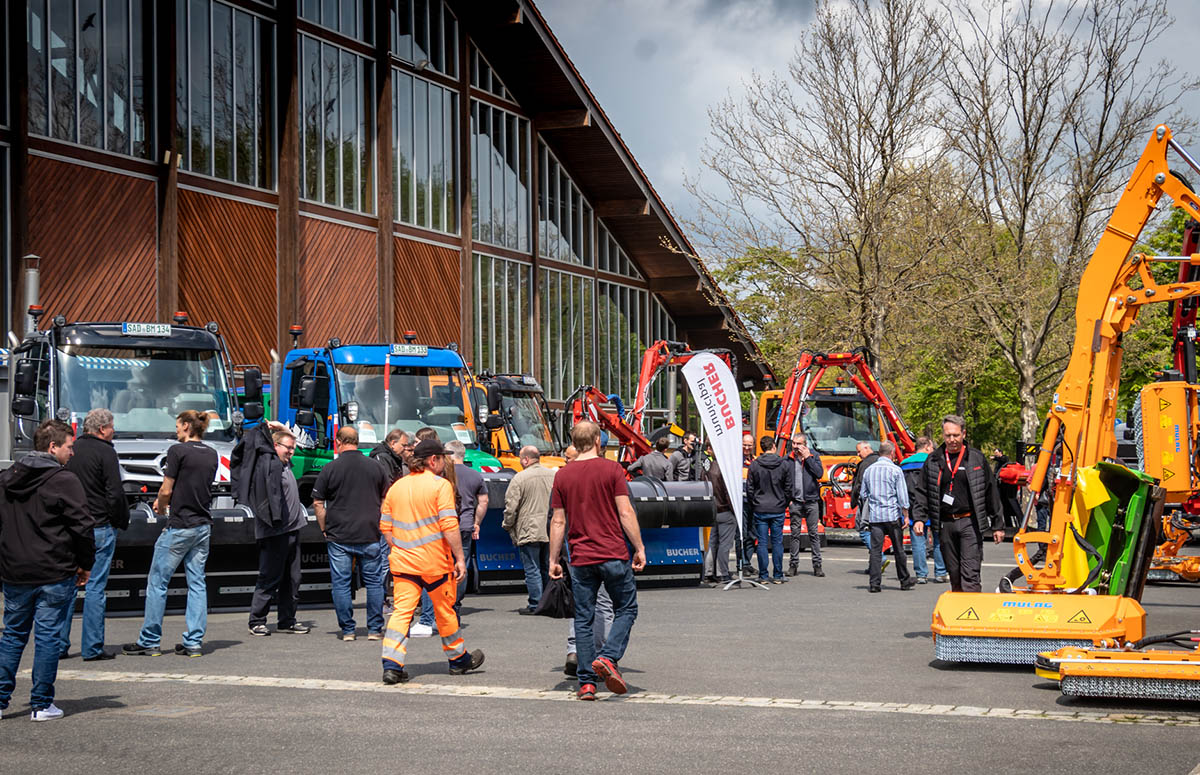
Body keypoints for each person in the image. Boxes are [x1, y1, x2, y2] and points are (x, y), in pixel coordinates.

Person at [0, 420, 93, 722]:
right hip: (54, 569)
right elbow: (82, 526)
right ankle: (41, 704)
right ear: (53, 447)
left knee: (12, 635)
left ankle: (0, 701)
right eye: (69, 446)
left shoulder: (6, 478)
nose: (72, 453)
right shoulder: (64, 480)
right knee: (48, 637)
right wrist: (85, 564)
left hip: (15, 569)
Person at [549, 421, 646, 700]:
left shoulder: (563, 476)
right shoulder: (612, 469)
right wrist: (639, 546)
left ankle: (587, 684)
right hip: (612, 552)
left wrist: (554, 559)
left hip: (580, 557)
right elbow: (625, 512)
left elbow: (558, 520)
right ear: (597, 441)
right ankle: (609, 657)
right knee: (626, 609)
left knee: (583, 617)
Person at [379, 438, 484, 684]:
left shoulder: (397, 486)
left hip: (404, 564)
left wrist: (401, 548)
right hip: (435, 564)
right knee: (445, 611)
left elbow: (385, 526)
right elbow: (449, 525)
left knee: (401, 613)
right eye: (443, 458)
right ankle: (458, 660)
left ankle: (391, 666)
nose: (445, 462)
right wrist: (460, 558)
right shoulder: (441, 486)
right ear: (433, 460)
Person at [124, 410, 218, 658]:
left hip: (180, 525)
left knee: (158, 582)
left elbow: (167, 488)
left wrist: (161, 505)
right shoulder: (211, 453)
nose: (176, 430)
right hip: (202, 525)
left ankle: (150, 640)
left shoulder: (177, 451)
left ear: (187, 426)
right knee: (197, 583)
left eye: (178, 425)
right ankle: (194, 641)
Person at [61, 408, 127, 661]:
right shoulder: (106, 452)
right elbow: (114, 493)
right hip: (99, 526)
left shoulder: (73, 450)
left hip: (71, 528)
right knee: (95, 588)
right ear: (102, 429)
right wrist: (121, 520)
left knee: (66, 588)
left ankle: (58, 645)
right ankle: (92, 647)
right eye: (112, 427)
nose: (114, 431)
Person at [313, 427, 390, 641]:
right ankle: (374, 629)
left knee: (341, 583)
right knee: (374, 583)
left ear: (338, 441)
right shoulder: (375, 467)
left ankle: (348, 630)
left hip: (339, 534)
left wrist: (324, 528)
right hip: (370, 532)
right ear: (357, 441)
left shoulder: (330, 468)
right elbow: (386, 499)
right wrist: (380, 522)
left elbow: (318, 503)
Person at [911, 414, 1004, 593]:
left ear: (963, 434)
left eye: (956, 435)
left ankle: (972, 616)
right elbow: (922, 492)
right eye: (948, 436)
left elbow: (991, 492)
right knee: (954, 574)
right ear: (943, 436)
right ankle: (959, 615)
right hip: (945, 524)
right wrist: (919, 518)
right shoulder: (933, 460)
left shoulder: (976, 458)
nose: (952, 440)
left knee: (970, 574)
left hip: (969, 522)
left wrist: (998, 525)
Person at [246, 427, 309, 636]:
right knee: (269, 577)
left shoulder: (285, 465)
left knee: (292, 579)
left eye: (293, 448)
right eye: (287, 448)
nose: (291, 451)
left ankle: (287, 620)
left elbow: (287, 441)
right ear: (275, 447)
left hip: (292, 530)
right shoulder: (269, 464)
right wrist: (273, 428)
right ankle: (257, 621)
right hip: (274, 532)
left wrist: (285, 431)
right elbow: (259, 447)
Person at [504, 445, 555, 613]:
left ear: (526, 459)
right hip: (550, 528)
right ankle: (548, 602)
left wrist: (507, 524)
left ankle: (536, 603)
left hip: (528, 529)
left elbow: (511, 507)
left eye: (520, 458)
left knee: (532, 568)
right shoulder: (553, 475)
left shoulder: (519, 478)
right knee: (547, 566)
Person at [859, 441, 916, 592]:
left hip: (876, 517)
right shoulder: (896, 470)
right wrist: (905, 515)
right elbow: (903, 496)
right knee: (899, 550)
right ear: (892, 453)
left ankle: (874, 584)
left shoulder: (869, 470)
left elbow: (863, 494)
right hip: (892, 515)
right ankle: (904, 580)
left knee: (876, 552)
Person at [445, 440, 488, 618]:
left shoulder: (442, 475)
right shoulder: (475, 476)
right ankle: (456, 602)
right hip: (465, 525)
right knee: (462, 563)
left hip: (445, 525)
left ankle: (443, 601)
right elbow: (483, 502)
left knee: (444, 563)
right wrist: (476, 522)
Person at [747, 436, 793, 584]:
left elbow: (750, 488)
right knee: (777, 542)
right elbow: (789, 488)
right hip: (778, 507)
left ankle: (763, 575)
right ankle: (778, 575)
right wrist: (784, 503)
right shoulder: (784, 464)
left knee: (761, 542)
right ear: (773, 446)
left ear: (761, 448)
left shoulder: (754, 465)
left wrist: (755, 502)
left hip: (760, 507)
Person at [900, 436, 939, 583]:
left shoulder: (904, 464)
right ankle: (940, 572)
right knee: (938, 539)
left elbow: (901, 488)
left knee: (917, 541)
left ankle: (921, 574)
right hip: (933, 506)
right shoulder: (933, 461)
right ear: (928, 446)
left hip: (912, 506)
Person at [787, 431, 825, 578]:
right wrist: (788, 498)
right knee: (795, 534)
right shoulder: (789, 458)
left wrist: (807, 457)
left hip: (811, 500)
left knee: (813, 534)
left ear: (805, 445)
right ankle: (793, 564)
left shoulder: (813, 456)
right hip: (795, 501)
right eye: (794, 443)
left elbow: (819, 473)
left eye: (799, 444)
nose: (796, 447)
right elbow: (784, 479)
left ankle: (817, 565)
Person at [703, 443, 737, 583]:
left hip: (711, 509)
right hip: (724, 509)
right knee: (725, 544)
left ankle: (709, 572)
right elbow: (727, 493)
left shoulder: (706, 468)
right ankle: (723, 572)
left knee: (712, 542)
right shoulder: (724, 469)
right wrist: (734, 509)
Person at [850, 440, 880, 552]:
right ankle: (873, 564)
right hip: (880, 501)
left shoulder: (865, 464)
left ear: (867, 448)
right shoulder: (880, 460)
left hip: (866, 501)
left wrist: (854, 500)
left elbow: (860, 484)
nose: (858, 454)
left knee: (863, 529)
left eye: (859, 451)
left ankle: (879, 556)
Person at [739, 433, 757, 574]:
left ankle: (747, 562)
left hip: (754, 503)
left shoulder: (755, 461)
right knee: (742, 534)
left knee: (752, 534)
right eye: (745, 444)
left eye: (749, 445)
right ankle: (742, 564)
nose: (747, 447)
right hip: (741, 503)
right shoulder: (736, 460)